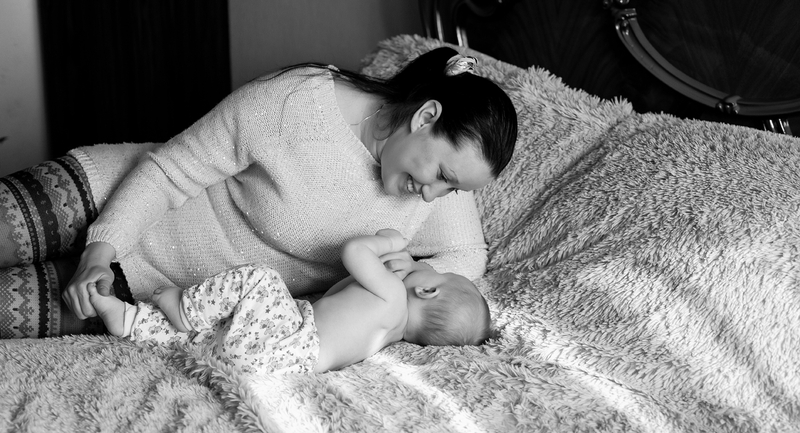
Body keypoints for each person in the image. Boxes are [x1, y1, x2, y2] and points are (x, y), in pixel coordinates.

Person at [0, 47, 517, 339]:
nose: (434, 197)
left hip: (143, 288)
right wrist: (99, 249)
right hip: (103, 195)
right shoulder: (297, 102)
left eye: (453, 190)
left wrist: (403, 280)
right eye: (443, 176)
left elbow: (467, 257)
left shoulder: (426, 193)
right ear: (426, 116)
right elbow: (170, 172)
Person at [86, 229, 491, 374]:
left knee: (261, 280)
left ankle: (183, 309)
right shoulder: (390, 331)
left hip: (292, 339)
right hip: (283, 365)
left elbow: (354, 253)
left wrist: (388, 243)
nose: (421, 265)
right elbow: (336, 297)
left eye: (432, 270)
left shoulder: (393, 296)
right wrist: (398, 269)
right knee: (221, 328)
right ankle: (129, 321)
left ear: (428, 290)